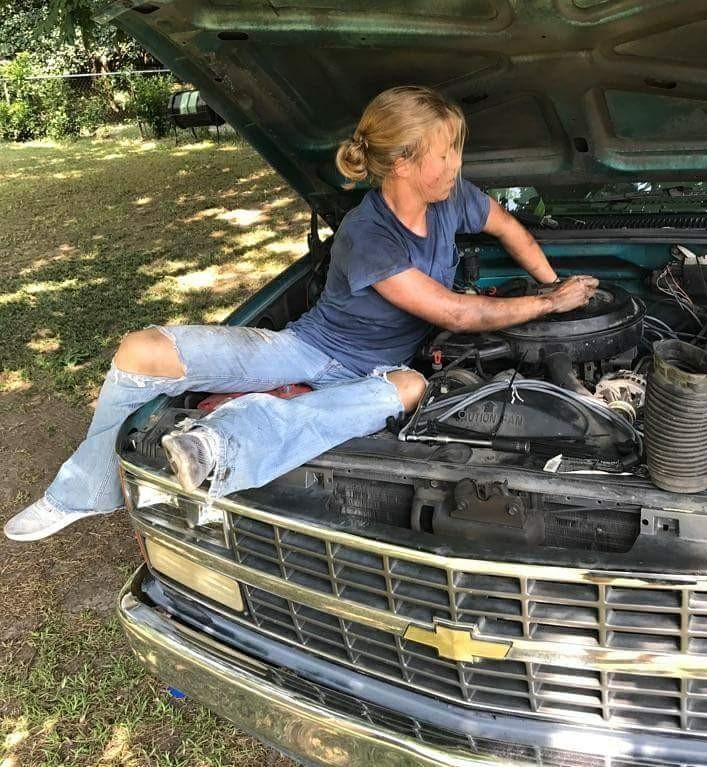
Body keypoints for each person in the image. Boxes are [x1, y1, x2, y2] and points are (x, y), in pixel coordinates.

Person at [4, 85, 597, 542]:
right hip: (312, 347)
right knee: (141, 351)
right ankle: (84, 491)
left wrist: (554, 285)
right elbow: (455, 314)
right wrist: (548, 304)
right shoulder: (368, 234)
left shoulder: (453, 198)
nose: (457, 164)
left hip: (383, 371)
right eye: (447, 153)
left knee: (413, 386)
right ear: (404, 162)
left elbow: (506, 224)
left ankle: (218, 447)